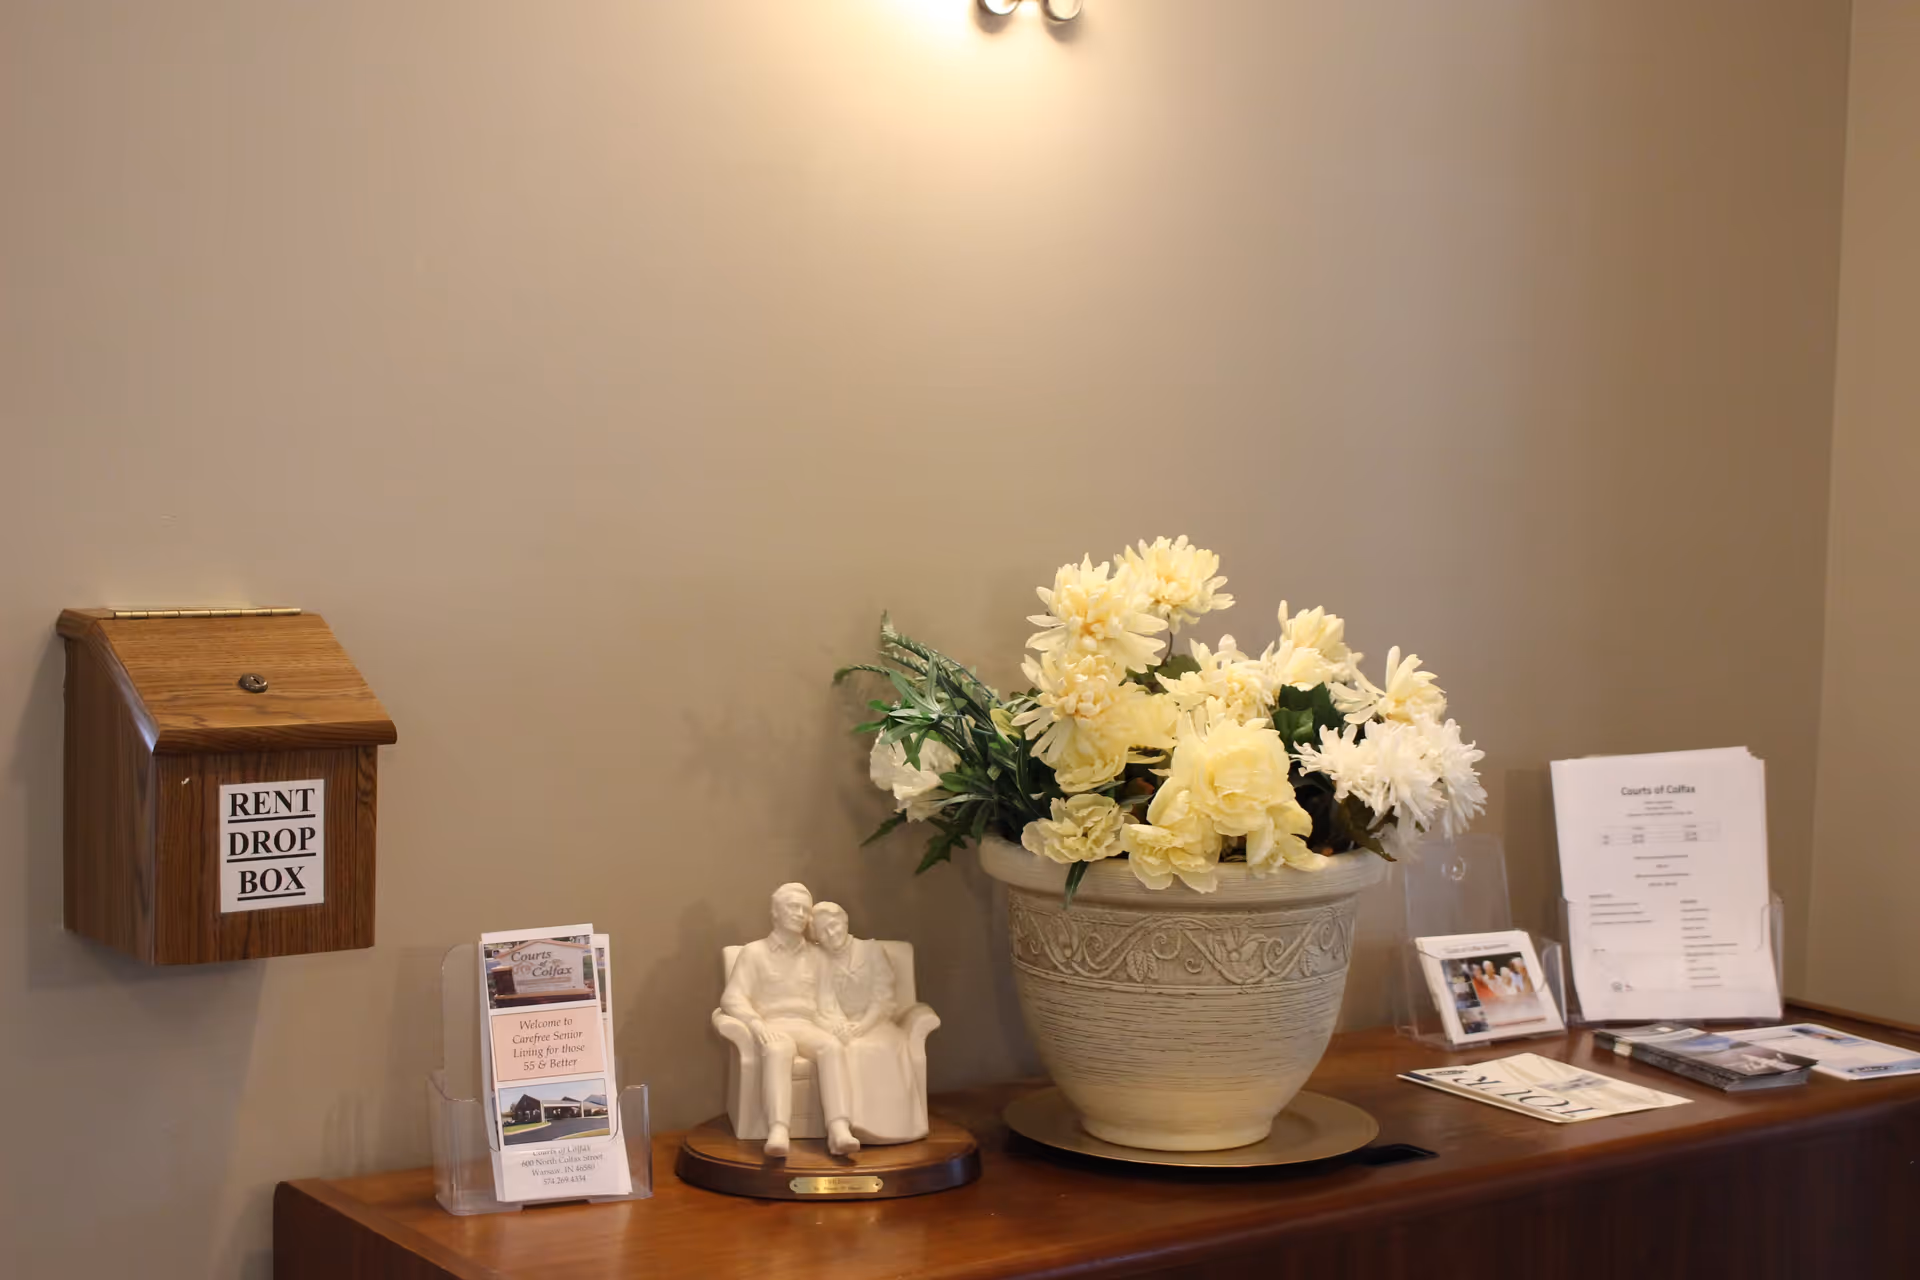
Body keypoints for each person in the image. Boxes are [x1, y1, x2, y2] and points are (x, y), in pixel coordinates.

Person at [719, 883, 859, 1157]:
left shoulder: (818, 957)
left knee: (831, 1047)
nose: (799, 914)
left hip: (807, 1025)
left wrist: (838, 1025)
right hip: (773, 1025)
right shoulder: (754, 953)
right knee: (777, 1049)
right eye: (792, 907)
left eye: (805, 910)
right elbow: (732, 998)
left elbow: (827, 1004)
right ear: (775, 913)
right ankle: (778, 1130)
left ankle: (839, 1129)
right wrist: (757, 1024)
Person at [810, 901, 924, 1144]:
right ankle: (856, 1126)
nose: (832, 934)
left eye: (834, 926)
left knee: (876, 1048)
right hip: (842, 1028)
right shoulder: (819, 960)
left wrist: (864, 1025)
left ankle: (895, 1126)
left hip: (875, 1024)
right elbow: (820, 1001)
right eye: (824, 932)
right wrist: (837, 1024)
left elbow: (883, 996)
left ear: (844, 922)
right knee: (847, 1049)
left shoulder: (871, 951)